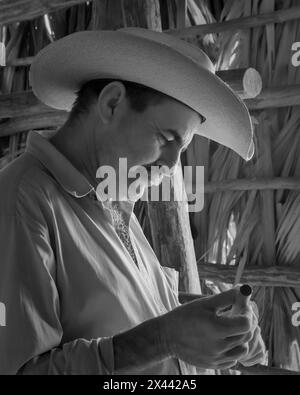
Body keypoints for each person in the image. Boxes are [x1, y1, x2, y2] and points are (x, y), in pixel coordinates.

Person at [0, 28, 265, 375]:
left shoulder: (114, 198)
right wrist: (164, 338)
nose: (172, 166)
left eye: (181, 149)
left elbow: (125, 317)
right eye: (165, 138)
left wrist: (215, 322)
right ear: (112, 103)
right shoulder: (25, 198)